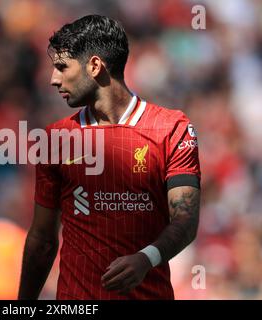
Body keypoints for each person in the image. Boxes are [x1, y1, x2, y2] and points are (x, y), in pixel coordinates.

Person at [18, 15, 201, 300]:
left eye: (62, 67)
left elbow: (186, 221)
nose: (54, 79)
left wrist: (146, 258)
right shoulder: (56, 139)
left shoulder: (172, 128)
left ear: (94, 66)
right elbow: (42, 240)